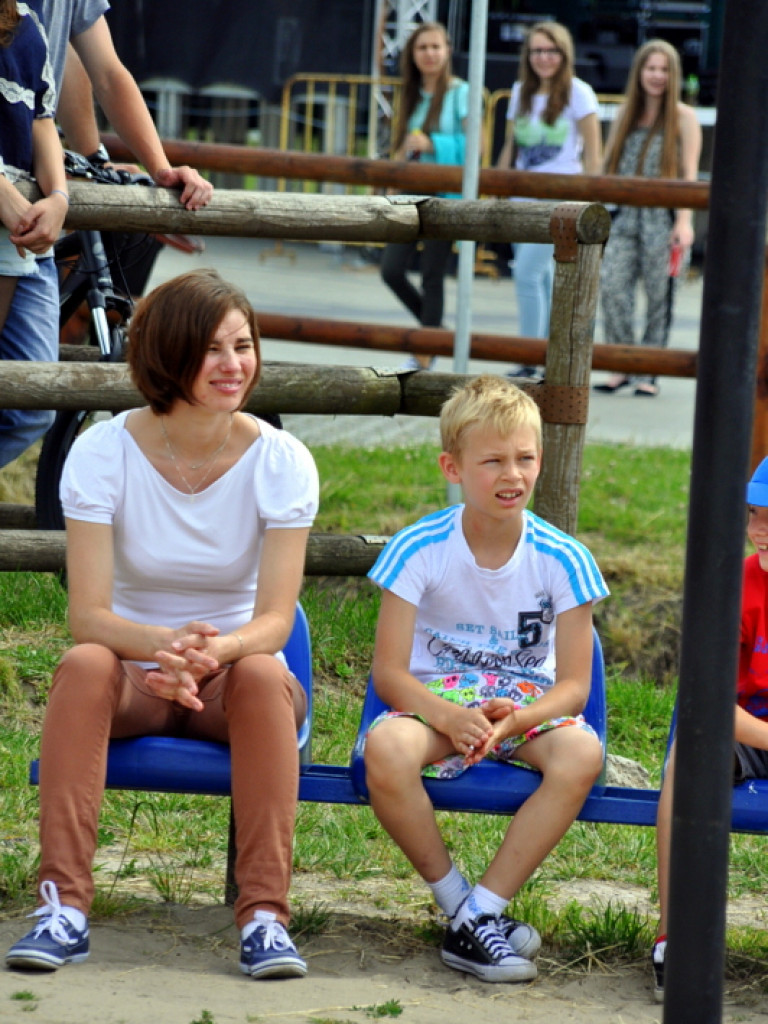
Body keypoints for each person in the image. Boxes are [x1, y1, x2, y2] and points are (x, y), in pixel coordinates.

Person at [5, 269, 319, 980]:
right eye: (213, 349)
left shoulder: (282, 459)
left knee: (267, 673)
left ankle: (266, 919)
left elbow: (273, 621)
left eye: (244, 346)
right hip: (132, 673)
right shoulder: (102, 451)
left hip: (234, 676)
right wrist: (161, 649)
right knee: (83, 663)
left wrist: (214, 653)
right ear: (169, 356)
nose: (234, 364)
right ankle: (64, 909)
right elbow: (86, 615)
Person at [364, 375, 609, 982]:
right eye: (493, 460)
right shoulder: (417, 547)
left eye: (525, 458)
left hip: (524, 705)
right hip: (437, 700)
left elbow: (574, 686)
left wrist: (519, 720)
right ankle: (461, 910)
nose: (513, 475)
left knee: (582, 753)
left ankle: (483, 909)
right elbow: (390, 673)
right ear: (453, 466)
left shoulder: (565, 558)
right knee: (388, 748)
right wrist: (446, 716)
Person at [653, 456, 768, 1002]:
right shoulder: (736, 587)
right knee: (690, 762)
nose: (757, 529)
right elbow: (712, 703)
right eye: (752, 513)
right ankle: (675, 935)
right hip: (749, 734)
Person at [594, 39, 701, 398]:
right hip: (624, 218)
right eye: (651, 68)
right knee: (612, 286)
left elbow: (689, 174)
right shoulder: (626, 112)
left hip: (663, 217)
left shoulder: (684, 117)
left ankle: (650, 370)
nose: (657, 76)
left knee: (660, 294)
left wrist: (683, 223)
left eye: (664, 69)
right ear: (639, 72)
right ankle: (621, 363)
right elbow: (608, 168)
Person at [495, 22, 601, 379]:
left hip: (561, 200)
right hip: (520, 198)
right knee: (539, 279)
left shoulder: (580, 93)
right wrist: (498, 186)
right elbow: (512, 147)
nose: (544, 58)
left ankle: (530, 358)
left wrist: (592, 203)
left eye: (551, 50)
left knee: (526, 274)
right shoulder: (520, 91)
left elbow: (594, 157)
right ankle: (547, 357)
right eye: (537, 50)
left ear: (564, 54)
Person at [0, 0, 69, 468]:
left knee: (33, 403)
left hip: (18, 233)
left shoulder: (27, 24)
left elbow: (42, 117)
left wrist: (60, 197)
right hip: (10, 217)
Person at [379, 21, 468, 370]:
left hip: (443, 192)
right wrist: (392, 179)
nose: (430, 54)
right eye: (422, 48)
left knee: (433, 274)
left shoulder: (461, 92)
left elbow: (473, 146)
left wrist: (434, 144)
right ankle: (437, 334)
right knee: (391, 270)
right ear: (412, 56)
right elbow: (403, 142)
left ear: (447, 51)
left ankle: (426, 349)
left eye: (436, 47)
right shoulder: (411, 93)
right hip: (409, 191)